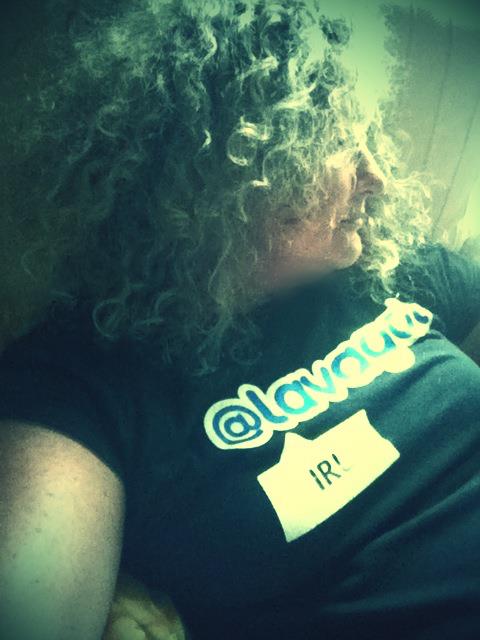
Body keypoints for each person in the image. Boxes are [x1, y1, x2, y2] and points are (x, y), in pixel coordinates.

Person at [0, 1, 479, 639]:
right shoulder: (80, 388)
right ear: (223, 175)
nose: (376, 178)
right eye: (336, 146)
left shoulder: (390, 265)